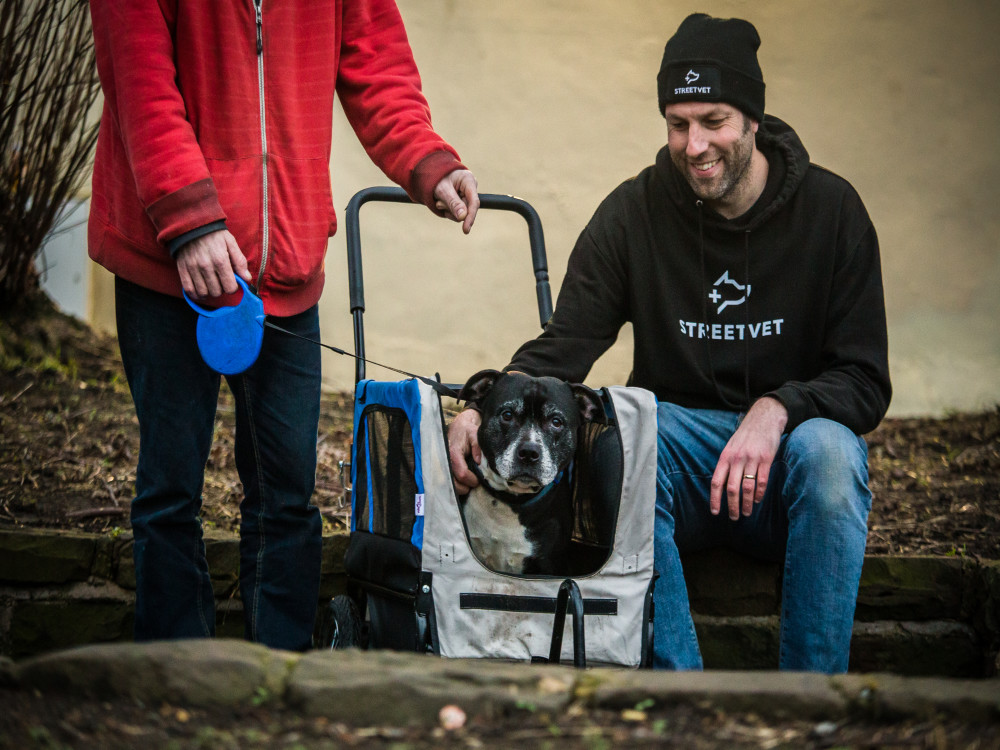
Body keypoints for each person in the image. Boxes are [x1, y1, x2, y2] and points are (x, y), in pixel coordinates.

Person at [448, 13, 891, 673]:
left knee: (830, 453)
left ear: (751, 119)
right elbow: (566, 343)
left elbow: (864, 380)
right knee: (628, 435)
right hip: (678, 468)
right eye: (678, 123)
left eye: (713, 121)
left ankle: (810, 699)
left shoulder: (832, 213)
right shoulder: (635, 212)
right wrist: (478, 406)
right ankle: (683, 695)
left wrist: (778, 409)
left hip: (787, 467)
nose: (694, 145)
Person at [88, 0, 480, 651]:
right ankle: (174, 678)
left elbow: (377, 66)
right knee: (170, 490)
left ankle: (282, 679)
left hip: (288, 272)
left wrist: (428, 161)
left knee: (288, 496)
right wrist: (188, 219)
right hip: (168, 266)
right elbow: (141, 82)